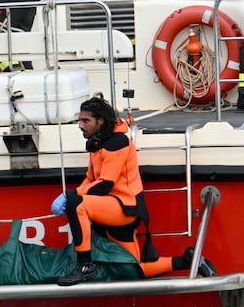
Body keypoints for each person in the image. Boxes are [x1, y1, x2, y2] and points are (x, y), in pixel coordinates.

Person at [51, 96, 215, 286]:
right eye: (79, 120)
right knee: (134, 270)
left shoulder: (116, 143)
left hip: (124, 209)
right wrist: (75, 193)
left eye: (85, 120)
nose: (80, 125)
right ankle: (186, 260)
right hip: (111, 208)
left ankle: (84, 266)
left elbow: (105, 185)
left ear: (101, 121)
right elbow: (91, 179)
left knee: (76, 203)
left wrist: (71, 196)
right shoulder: (97, 143)